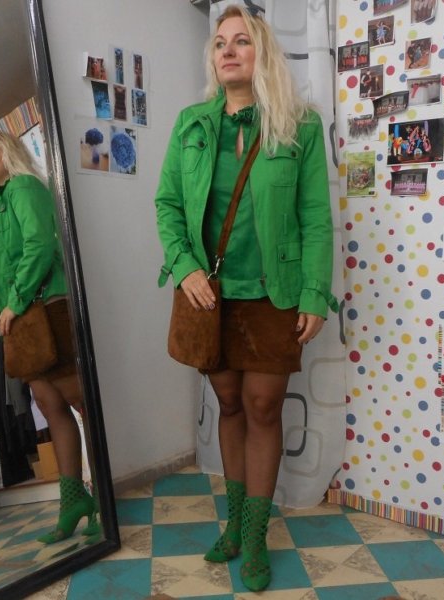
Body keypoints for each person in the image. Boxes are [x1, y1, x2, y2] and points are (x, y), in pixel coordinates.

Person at [154, 5, 337, 592]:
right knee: (229, 404)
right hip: (210, 296)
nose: (228, 50)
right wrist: (185, 269)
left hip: (273, 293)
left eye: (242, 41)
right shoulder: (191, 124)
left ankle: (255, 535)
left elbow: (316, 216)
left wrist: (315, 292)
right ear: (213, 58)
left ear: (263, 53)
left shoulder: (299, 125)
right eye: (220, 43)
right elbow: (168, 205)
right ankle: (233, 523)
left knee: (263, 406)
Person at [0, 130, 98, 544]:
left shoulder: (24, 187)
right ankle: (73, 501)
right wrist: (3, 301)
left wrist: (15, 299)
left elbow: (40, 245)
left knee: (80, 401)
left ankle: (105, 492)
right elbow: (7, 260)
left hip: (43, 307)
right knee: (50, 404)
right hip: (22, 315)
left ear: (7, 153)